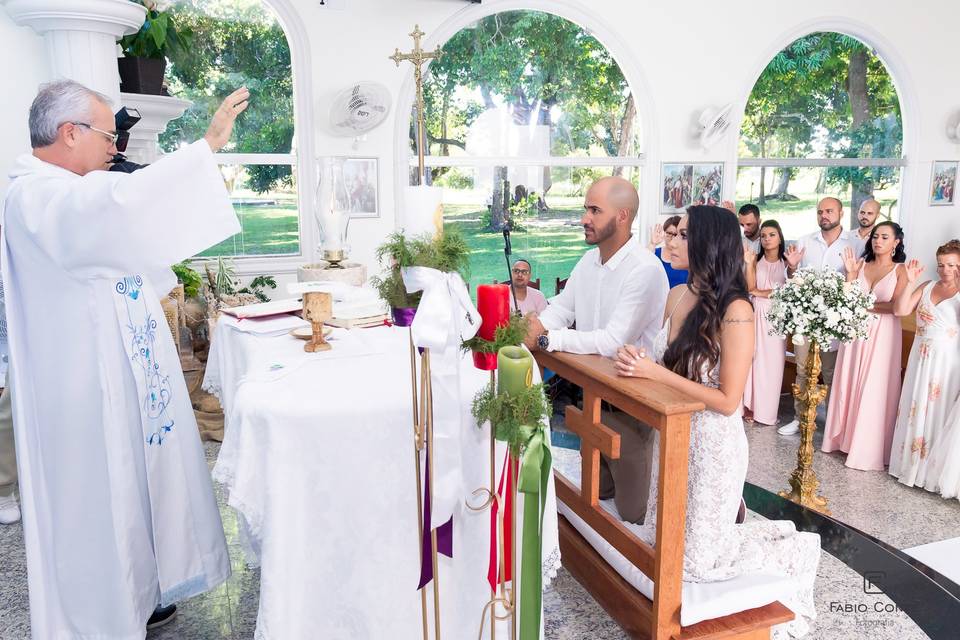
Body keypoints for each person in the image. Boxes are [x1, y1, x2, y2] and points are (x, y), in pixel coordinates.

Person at [2, 79, 248, 637]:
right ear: (69, 133)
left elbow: (125, 239)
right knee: (101, 502)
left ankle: (142, 590)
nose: (116, 147)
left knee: (134, 484)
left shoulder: (67, 189)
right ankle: (103, 616)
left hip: (120, 376)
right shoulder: (39, 195)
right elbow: (115, 209)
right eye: (108, 135)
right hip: (83, 391)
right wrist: (205, 148)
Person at [614, 205, 819, 639]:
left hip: (712, 445)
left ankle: (779, 546)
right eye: (673, 233)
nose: (670, 240)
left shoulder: (737, 310)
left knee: (697, 562)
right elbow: (668, 370)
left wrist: (656, 373)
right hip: (672, 434)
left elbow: (728, 401)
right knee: (662, 540)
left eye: (682, 234)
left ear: (708, 244)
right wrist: (638, 364)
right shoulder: (676, 296)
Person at [525, 176, 668, 523]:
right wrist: (538, 324)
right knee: (599, 490)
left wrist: (547, 340)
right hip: (592, 390)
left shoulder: (645, 269)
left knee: (635, 511)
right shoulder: (589, 261)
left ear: (622, 216)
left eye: (594, 210)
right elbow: (562, 307)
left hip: (633, 398)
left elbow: (611, 342)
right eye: (585, 209)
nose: (584, 218)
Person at [821, 222, 908, 470]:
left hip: (883, 335)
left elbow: (895, 307)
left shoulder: (901, 270)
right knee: (848, 381)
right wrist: (850, 275)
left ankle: (866, 447)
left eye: (884, 237)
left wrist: (863, 304)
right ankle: (842, 439)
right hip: (854, 332)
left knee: (874, 386)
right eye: (875, 236)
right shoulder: (861, 265)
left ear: (896, 242)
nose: (878, 241)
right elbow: (847, 299)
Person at [777, 197, 859, 436]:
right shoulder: (806, 241)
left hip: (835, 321)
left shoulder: (853, 244)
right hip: (806, 319)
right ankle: (800, 418)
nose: (824, 215)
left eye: (829, 211)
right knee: (803, 369)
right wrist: (791, 268)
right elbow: (793, 278)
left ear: (841, 213)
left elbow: (856, 281)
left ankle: (832, 423)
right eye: (820, 211)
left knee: (832, 373)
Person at [889, 240, 960, 491]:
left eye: (951, 265)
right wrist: (909, 281)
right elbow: (900, 309)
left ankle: (930, 472)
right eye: (941, 264)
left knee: (939, 410)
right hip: (921, 356)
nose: (945, 270)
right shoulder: (928, 285)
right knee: (915, 406)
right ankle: (909, 467)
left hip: (947, 361)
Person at [742, 220, 788, 426]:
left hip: (776, 317)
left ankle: (766, 411)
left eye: (772, 234)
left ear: (780, 237)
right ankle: (749, 407)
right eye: (763, 235)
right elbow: (749, 287)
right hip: (755, 313)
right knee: (753, 359)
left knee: (772, 364)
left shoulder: (788, 263)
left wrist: (762, 293)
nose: (767, 239)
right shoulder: (755, 260)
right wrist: (748, 264)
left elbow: (788, 291)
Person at [647, 215, 689, 288]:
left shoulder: (686, 257)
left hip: (679, 297)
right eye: (669, 233)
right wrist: (652, 243)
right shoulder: (654, 252)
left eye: (676, 234)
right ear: (664, 233)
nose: (672, 238)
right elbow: (643, 265)